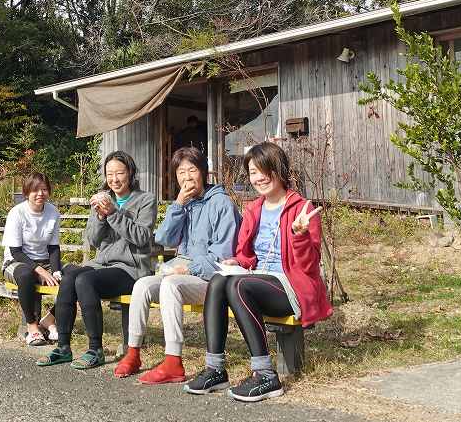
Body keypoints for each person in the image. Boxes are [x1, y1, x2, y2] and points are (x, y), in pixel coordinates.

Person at [184, 142, 332, 402]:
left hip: (292, 287)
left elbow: (309, 267)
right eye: (253, 172)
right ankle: (215, 369)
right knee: (220, 280)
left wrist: (299, 235)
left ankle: (265, 375)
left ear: (280, 170)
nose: (258, 177)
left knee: (238, 286)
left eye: (264, 170)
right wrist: (236, 262)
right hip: (258, 280)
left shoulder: (303, 210)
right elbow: (247, 255)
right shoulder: (254, 208)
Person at [114, 147, 240, 384]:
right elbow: (164, 239)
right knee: (142, 285)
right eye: (181, 172)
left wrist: (190, 269)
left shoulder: (221, 203)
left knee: (170, 284)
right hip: (181, 271)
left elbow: (224, 255)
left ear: (203, 172)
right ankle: (133, 352)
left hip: (211, 279)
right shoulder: (186, 203)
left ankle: (173, 361)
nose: (186, 177)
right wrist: (178, 205)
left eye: (192, 170)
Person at [37, 150, 157, 370]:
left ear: (130, 173)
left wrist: (112, 213)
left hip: (131, 269)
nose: (115, 179)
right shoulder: (103, 198)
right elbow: (92, 240)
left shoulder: (145, 200)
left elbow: (141, 238)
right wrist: (100, 216)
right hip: (101, 265)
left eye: (119, 173)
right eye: (110, 174)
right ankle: (63, 347)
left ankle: (95, 350)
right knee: (70, 276)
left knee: (85, 281)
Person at [1, 172, 61, 346]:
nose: (40, 194)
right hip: (15, 261)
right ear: (27, 192)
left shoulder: (53, 212)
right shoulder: (17, 213)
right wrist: (39, 269)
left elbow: (53, 247)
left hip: (45, 261)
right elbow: (15, 251)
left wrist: (56, 271)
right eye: (35, 190)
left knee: (75, 276)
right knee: (27, 275)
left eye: (44, 189)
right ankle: (33, 328)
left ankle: (49, 320)